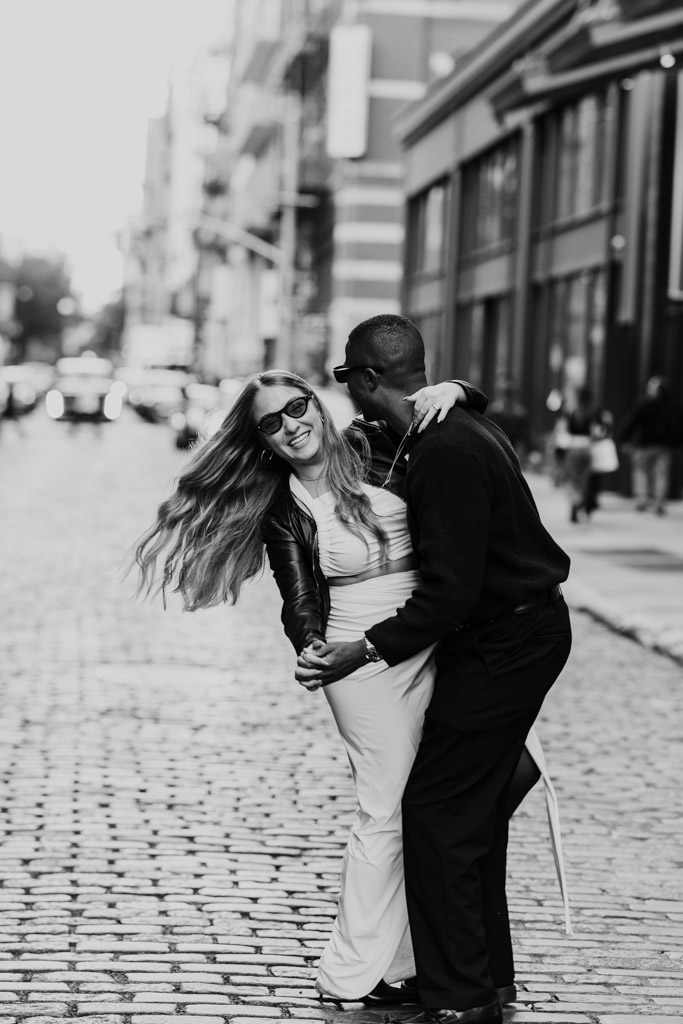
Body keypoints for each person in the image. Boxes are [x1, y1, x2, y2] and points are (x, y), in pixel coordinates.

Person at [133, 369, 570, 1012]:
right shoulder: (284, 506)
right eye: (271, 423)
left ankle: (436, 961)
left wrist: (457, 388)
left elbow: (446, 426)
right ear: (259, 440)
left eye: (297, 407)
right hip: (358, 661)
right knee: (388, 809)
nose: (291, 426)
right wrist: (311, 645)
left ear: (320, 402)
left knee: (451, 803)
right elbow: (300, 592)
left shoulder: (374, 447)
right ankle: (359, 968)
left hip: (429, 637)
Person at [296, 315, 572, 1024]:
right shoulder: (445, 428)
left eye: (346, 381)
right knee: (468, 810)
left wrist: (363, 648)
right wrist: (461, 389)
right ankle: (484, 982)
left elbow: (448, 591)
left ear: (363, 379)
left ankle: (460, 994)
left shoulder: (444, 448)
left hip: (507, 641)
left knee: (438, 812)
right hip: (513, 632)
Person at [617, 375, 683, 515]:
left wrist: (625, 439)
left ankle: (643, 500)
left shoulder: (645, 404)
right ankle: (658, 502)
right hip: (663, 446)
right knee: (661, 474)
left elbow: (631, 422)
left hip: (645, 445)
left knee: (642, 472)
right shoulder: (673, 405)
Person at [559, 386, 613, 523]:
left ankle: (576, 501)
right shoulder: (595, 410)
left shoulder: (570, 410)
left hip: (573, 448)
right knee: (584, 479)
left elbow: (563, 430)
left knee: (571, 478)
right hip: (588, 449)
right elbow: (598, 432)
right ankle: (582, 502)